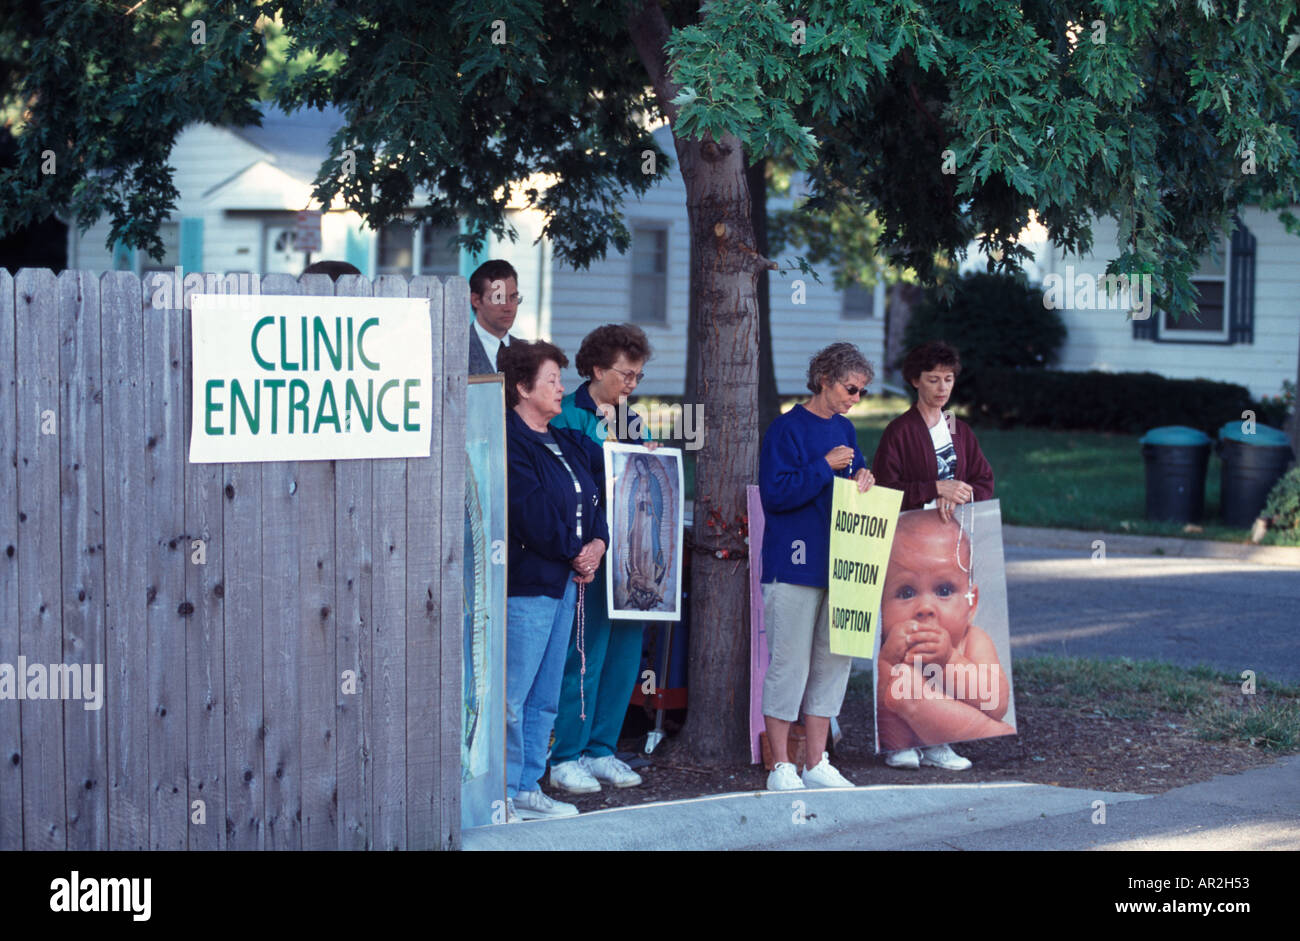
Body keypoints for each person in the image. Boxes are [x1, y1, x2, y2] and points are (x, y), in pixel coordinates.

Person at [871, 339, 995, 770]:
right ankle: (898, 742)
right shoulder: (899, 432)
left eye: (948, 379)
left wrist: (960, 494)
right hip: (906, 552)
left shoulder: (960, 430)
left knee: (944, 644)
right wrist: (931, 490)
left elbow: (983, 480)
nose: (942, 388)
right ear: (914, 381)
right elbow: (883, 492)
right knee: (904, 646)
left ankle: (938, 739)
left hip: (947, 549)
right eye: (932, 380)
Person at [500, 339, 609, 821]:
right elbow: (531, 515)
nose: (563, 388)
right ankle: (499, 791)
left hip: (566, 582)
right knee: (513, 695)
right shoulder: (511, 442)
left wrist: (598, 546)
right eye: (552, 380)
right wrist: (576, 552)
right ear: (523, 388)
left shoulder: (565, 440)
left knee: (544, 695)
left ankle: (527, 786)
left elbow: (596, 500)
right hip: (529, 587)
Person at [759, 342, 876, 791]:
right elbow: (776, 495)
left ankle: (816, 761)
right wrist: (824, 467)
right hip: (793, 564)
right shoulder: (786, 429)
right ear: (825, 379)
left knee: (834, 660)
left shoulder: (846, 430)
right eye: (851, 388)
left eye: (862, 391)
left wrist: (864, 478)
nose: (856, 398)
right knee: (789, 664)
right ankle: (780, 766)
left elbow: (856, 479)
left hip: (842, 564)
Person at [547, 324, 654, 795]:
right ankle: (566, 754)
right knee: (585, 653)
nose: (631, 385)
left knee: (626, 652)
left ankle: (601, 749)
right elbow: (572, 481)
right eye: (625, 375)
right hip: (589, 550)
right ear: (596, 369)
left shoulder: (633, 419)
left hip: (632, 553)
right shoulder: (567, 413)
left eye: (638, 377)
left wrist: (649, 458)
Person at [876, 510, 1013, 752]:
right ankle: (911, 748)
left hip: (966, 736)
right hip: (902, 746)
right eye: (906, 592)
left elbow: (997, 703)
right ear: (880, 606)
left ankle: (988, 734)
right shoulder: (891, 648)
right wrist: (887, 662)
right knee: (899, 686)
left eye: (944, 590)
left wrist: (949, 660)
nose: (926, 608)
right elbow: (885, 728)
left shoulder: (973, 641)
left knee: (905, 689)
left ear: (971, 603)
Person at [468, 259, 523, 375]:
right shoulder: (456, 352)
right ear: (476, 300)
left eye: (513, 297)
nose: (508, 307)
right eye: (498, 298)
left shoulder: (529, 353)